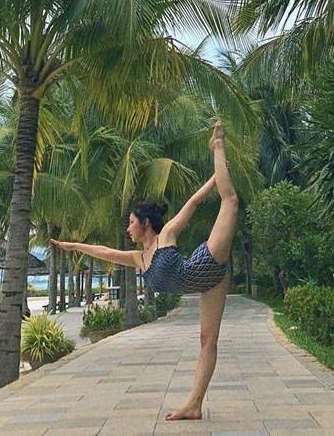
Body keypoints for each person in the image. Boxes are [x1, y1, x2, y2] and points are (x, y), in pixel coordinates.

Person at [51, 121, 238, 420]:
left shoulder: (167, 236)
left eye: (131, 223)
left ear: (145, 223)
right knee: (207, 341)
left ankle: (217, 146)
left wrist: (217, 176)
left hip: (208, 263)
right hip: (207, 285)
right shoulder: (139, 259)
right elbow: (105, 252)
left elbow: (193, 202)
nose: (127, 229)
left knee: (230, 201)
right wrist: (74, 246)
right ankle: (194, 405)